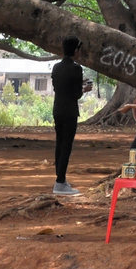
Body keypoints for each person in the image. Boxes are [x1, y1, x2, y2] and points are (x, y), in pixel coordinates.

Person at [51, 37, 91, 196]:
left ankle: (59, 178)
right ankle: (60, 182)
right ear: (75, 50)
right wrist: (84, 89)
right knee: (67, 145)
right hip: (70, 111)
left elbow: (58, 87)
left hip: (57, 109)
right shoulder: (77, 69)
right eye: (79, 49)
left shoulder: (56, 67)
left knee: (59, 144)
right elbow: (75, 94)